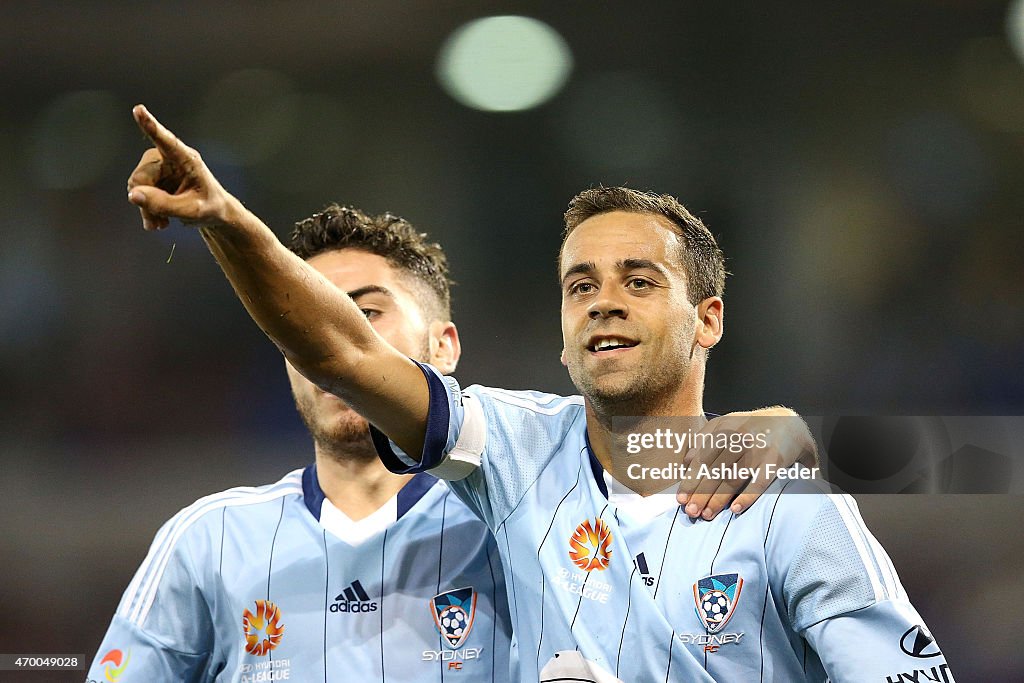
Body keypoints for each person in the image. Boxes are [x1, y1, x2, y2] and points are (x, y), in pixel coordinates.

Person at [122, 105, 942, 683]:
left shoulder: (788, 500)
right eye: (579, 285)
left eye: (639, 280)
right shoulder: (510, 454)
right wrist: (225, 219)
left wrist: (795, 432)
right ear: (561, 331)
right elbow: (341, 353)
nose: (604, 300)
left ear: (709, 319)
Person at [87, 206, 514, 681]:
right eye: (305, 328)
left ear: (443, 346)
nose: (330, 349)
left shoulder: (515, 523)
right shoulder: (208, 542)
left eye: (365, 313)